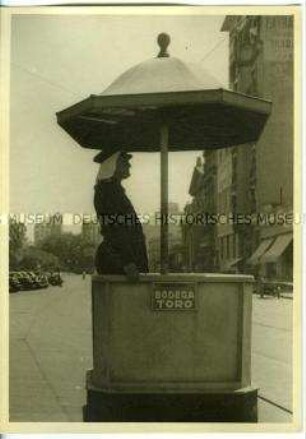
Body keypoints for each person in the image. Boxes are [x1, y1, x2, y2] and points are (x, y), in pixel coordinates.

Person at [93, 150, 149, 281]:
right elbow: (115, 230)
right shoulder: (108, 192)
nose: (129, 166)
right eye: (126, 162)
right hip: (119, 262)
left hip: (123, 261)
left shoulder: (113, 190)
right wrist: (127, 262)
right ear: (113, 165)